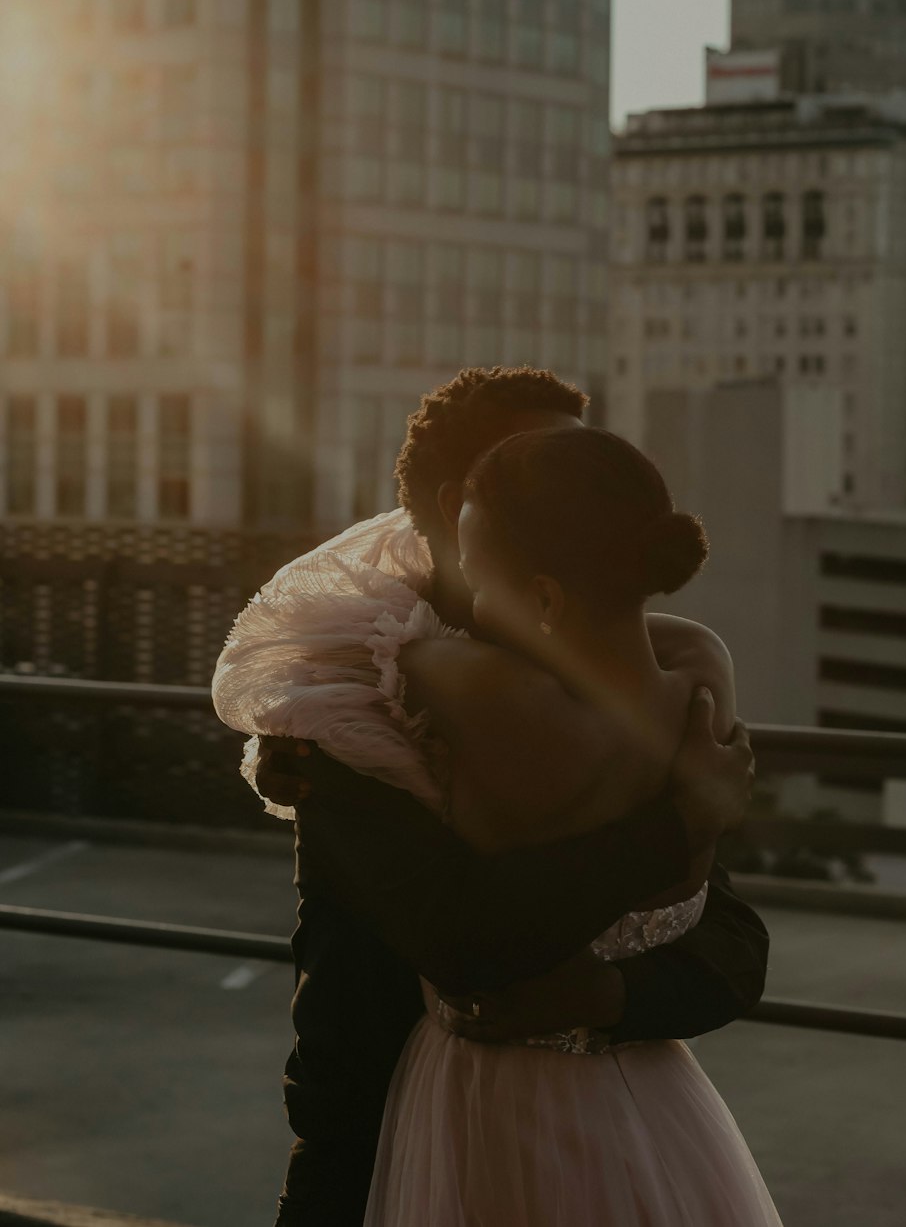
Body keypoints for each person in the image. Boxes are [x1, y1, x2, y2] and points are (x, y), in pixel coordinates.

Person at [212, 367, 765, 1226]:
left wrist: (613, 999)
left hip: (609, 1122)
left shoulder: (646, 668)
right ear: (457, 499)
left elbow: (727, 934)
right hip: (371, 1143)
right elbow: (464, 936)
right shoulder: (348, 695)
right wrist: (682, 821)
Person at [362, 423, 781, 1225]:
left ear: (547, 599)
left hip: (498, 1095)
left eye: (480, 583)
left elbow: (360, 640)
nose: (469, 608)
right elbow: (623, 641)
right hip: (653, 1090)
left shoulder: (479, 690)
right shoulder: (700, 668)